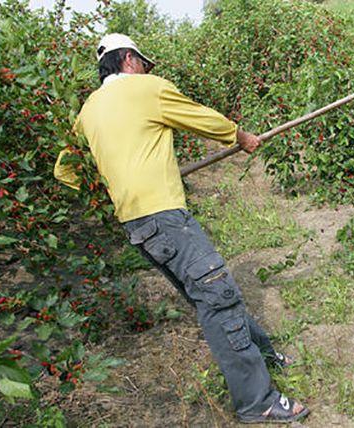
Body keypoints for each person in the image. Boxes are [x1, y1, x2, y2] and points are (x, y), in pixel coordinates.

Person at [54, 33, 309, 424]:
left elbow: (66, 170)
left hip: (137, 225)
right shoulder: (145, 89)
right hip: (164, 218)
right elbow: (198, 116)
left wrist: (117, 186)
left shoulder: (88, 111)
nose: (148, 71)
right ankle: (257, 402)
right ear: (129, 61)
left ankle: (267, 354)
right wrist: (239, 137)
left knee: (210, 291)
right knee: (217, 296)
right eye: (144, 63)